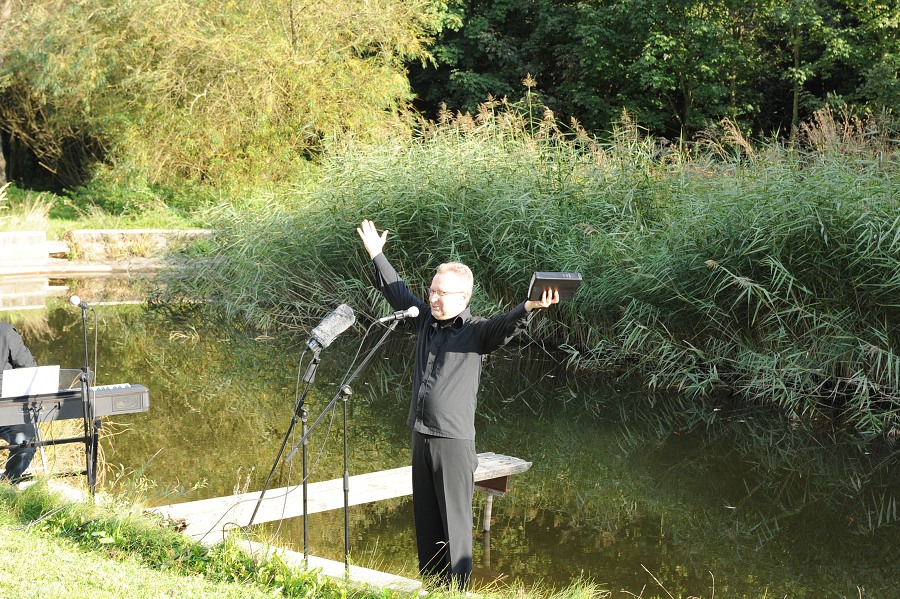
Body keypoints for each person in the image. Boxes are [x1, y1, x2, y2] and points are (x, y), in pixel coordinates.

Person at [356, 219, 559, 589]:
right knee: (427, 520)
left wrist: (529, 306)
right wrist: (377, 255)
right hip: (421, 436)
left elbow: (506, 325)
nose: (434, 298)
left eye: (442, 293)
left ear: (463, 298)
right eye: (432, 291)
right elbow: (397, 292)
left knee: (455, 525)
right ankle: (433, 588)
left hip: (453, 442)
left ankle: (457, 591)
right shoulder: (423, 321)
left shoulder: (476, 332)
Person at [0, 321, 39, 482]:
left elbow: (29, 369)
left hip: (6, 407)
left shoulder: (5, 332)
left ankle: (7, 482)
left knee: (25, 444)